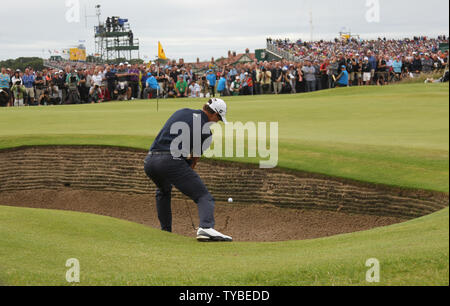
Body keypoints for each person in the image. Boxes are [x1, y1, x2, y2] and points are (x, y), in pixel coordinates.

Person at [144, 98, 233, 242]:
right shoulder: (206, 132)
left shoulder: (182, 111)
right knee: (204, 196)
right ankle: (206, 227)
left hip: (150, 161)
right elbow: (194, 160)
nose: (217, 122)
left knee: (163, 190)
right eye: (218, 119)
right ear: (214, 114)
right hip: (170, 162)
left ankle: (165, 231)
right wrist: (185, 174)